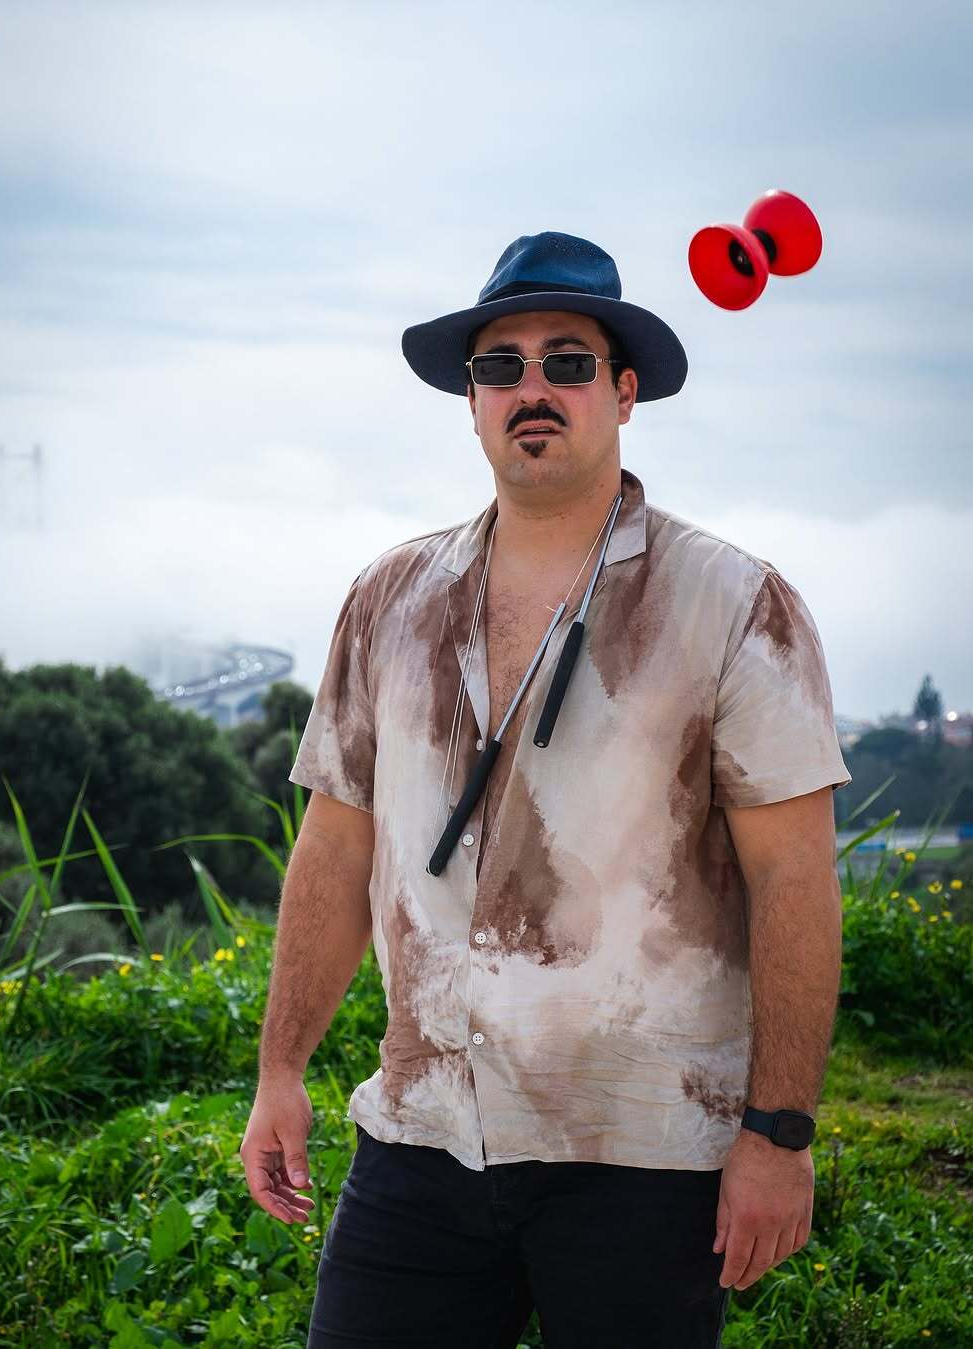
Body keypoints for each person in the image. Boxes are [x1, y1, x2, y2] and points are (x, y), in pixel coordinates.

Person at [239, 231, 852, 1348]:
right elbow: (335, 847)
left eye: (568, 361)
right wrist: (281, 1068)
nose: (532, 388)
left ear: (624, 392)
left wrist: (780, 1130)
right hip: (423, 1131)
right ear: (471, 402)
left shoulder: (734, 602)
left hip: (644, 1148)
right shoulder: (390, 598)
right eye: (499, 366)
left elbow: (794, 881)